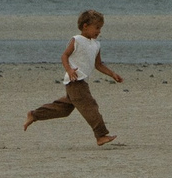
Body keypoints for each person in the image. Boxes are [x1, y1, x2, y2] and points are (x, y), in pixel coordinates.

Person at [24, 9, 122, 145]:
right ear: (85, 26)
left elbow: (98, 64)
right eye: (97, 28)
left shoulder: (96, 44)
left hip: (82, 81)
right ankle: (101, 135)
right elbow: (64, 56)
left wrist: (112, 74)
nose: (99, 31)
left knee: (64, 109)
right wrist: (69, 70)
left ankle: (35, 114)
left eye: (100, 28)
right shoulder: (77, 40)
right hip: (76, 80)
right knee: (90, 105)